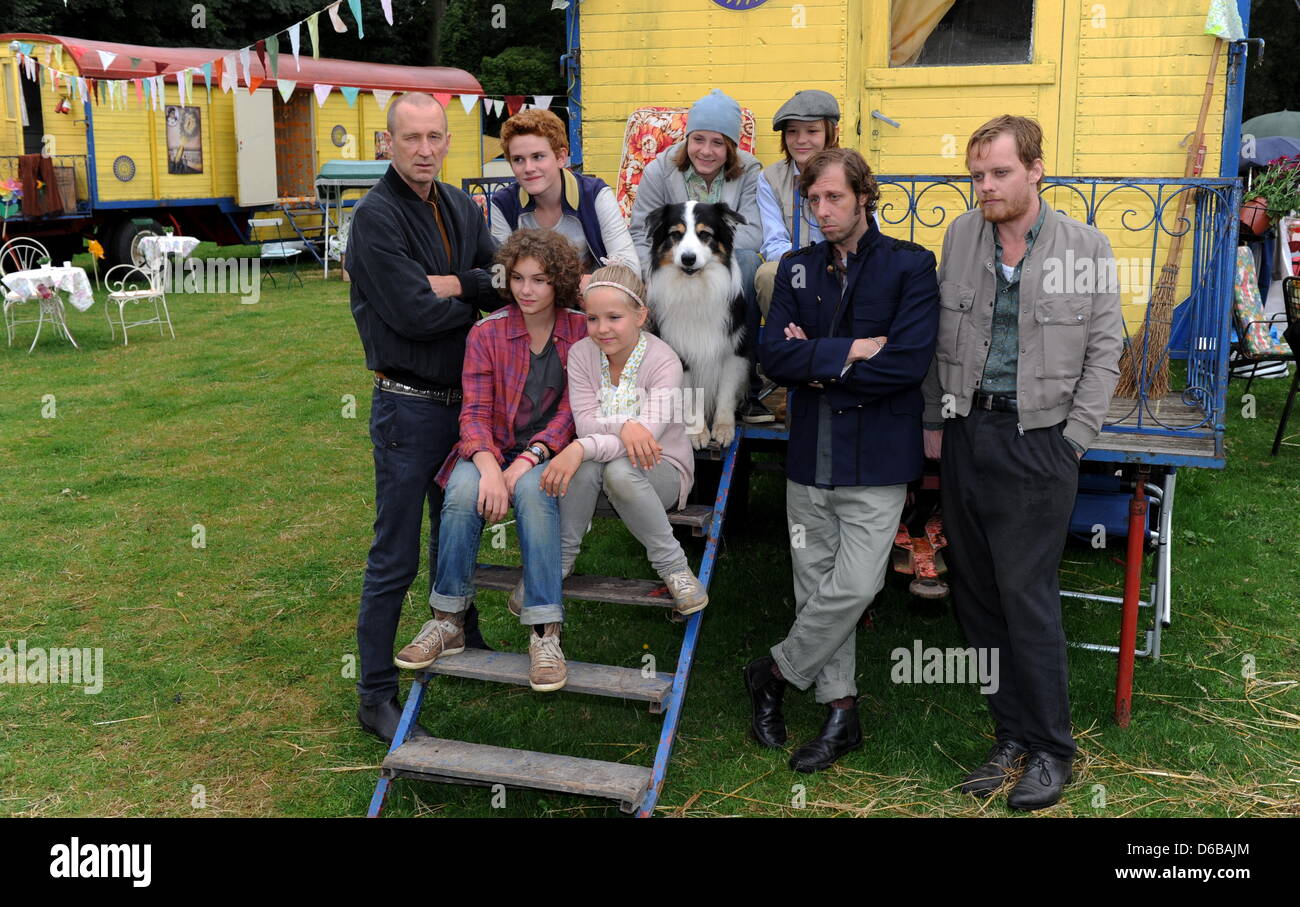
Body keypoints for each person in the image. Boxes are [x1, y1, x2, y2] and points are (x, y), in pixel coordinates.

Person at [921, 115, 1123, 810]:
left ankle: (1051, 749)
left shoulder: (1084, 245)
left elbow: (1106, 347)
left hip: (1041, 442)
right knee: (975, 595)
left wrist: (1075, 435)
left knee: (1027, 595)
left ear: (1036, 169)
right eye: (976, 174)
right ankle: (1007, 734)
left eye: (999, 172)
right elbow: (942, 337)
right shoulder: (960, 236)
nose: (985, 186)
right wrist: (936, 421)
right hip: (966, 435)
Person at [749, 148, 939, 773]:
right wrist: (852, 352)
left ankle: (773, 671)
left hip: (878, 460)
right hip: (809, 457)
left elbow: (907, 364)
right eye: (812, 200)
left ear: (864, 196)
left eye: (834, 197)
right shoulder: (796, 270)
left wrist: (819, 366)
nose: (822, 210)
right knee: (815, 586)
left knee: (857, 585)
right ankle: (841, 714)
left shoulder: (910, 266)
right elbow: (773, 357)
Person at [348, 92, 500, 743]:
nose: (425, 149)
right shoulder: (375, 219)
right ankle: (374, 692)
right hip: (407, 407)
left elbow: (502, 274)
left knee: (456, 526)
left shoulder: (463, 206)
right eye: (410, 137)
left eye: (435, 136)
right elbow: (412, 313)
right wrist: (472, 293)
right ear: (387, 142)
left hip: (461, 404)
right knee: (396, 553)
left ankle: (459, 624)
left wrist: (458, 282)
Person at [394, 229, 589, 693]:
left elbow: (573, 412)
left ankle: (544, 632)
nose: (527, 290)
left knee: (535, 492)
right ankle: (448, 620)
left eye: (540, 280)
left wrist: (525, 462)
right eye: (518, 278)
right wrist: (487, 468)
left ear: (558, 282)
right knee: (460, 491)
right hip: (490, 447)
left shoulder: (581, 330)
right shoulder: (487, 332)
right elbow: (475, 411)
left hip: (545, 453)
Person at [536, 263, 708, 616]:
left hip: (660, 470)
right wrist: (620, 428)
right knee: (588, 468)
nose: (602, 329)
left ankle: (674, 567)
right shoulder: (583, 354)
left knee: (615, 469)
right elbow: (585, 423)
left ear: (640, 315)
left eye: (614, 317)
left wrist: (584, 445)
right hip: (600, 474)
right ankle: (559, 562)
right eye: (592, 319)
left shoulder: (664, 361)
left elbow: (644, 440)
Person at [628, 88, 774, 424]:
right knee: (651, 272)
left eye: (718, 142)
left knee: (750, 261)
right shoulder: (659, 171)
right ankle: (662, 387)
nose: (706, 151)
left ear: (731, 147)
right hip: (675, 268)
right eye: (699, 139)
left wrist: (705, 245)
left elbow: (753, 232)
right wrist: (648, 270)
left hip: (721, 266)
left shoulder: (750, 171)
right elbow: (640, 231)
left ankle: (746, 386)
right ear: (687, 139)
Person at [490, 108, 638, 284]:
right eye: (518, 159)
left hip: (591, 304)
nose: (528, 168)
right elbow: (499, 277)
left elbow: (630, 270)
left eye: (538, 157)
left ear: (561, 157)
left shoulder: (594, 194)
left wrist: (555, 283)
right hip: (534, 305)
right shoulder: (504, 203)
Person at [754, 90, 841, 320]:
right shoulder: (770, 178)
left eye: (812, 131)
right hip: (797, 268)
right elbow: (773, 242)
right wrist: (810, 263)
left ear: (831, 134)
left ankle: (845, 346)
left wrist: (832, 263)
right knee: (767, 274)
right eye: (792, 131)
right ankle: (787, 345)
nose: (801, 140)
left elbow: (869, 235)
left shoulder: (850, 171)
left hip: (842, 265)